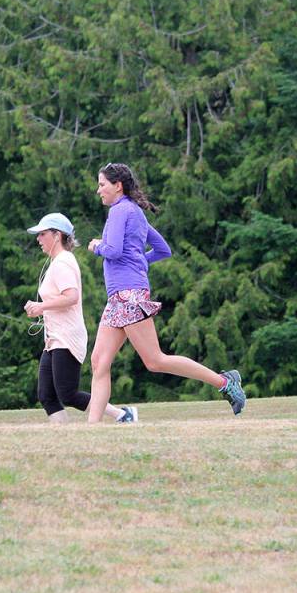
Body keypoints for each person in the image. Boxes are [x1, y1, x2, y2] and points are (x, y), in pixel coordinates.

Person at [85, 163, 246, 422]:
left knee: (155, 360)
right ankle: (91, 430)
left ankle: (225, 382)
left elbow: (113, 250)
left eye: (102, 184)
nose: (98, 190)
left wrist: (97, 246)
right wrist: (139, 261)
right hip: (120, 296)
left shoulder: (119, 211)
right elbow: (163, 250)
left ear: (118, 186)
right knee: (99, 363)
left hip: (128, 295)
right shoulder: (135, 212)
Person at [23, 212, 138, 424]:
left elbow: (72, 296)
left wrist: (41, 306)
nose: (38, 239)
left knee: (68, 394)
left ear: (57, 235)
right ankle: (64, 436)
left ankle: (123, 415)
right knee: (46, 394)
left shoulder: (63, 261)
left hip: (66, 337)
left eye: (42, 234)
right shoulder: (57, 262)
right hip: (54, 339)